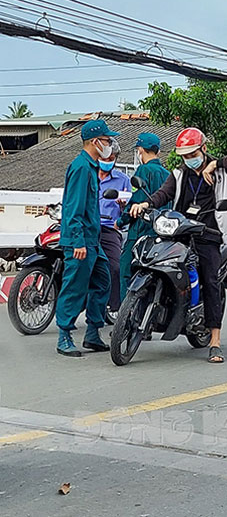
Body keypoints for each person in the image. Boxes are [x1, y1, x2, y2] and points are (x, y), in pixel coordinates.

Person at [129, 128, 227, 364]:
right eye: (184, 155)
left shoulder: (224, 171)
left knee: (210, 280)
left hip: (210, 235)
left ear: (203, 149)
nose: (188, 159)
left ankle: (214, 341)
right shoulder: (179, 174)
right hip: (181, 231)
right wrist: (146, 204)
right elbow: (164, 194)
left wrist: (215, 165)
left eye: (192, 153)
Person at [55, 119, 116, 357]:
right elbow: (73, 207)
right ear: (95, 142)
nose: (109, 144)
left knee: (103, 281)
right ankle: (64, 336)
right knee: (75, 286)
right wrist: (78, 241)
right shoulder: (81, 167)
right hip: (80, 241)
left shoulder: (91, 167)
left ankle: (93, 333)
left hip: (93, 240)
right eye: (107, 140)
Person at [117, 132, 170, 301]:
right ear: (158, 152)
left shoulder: (143, 170)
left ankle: (126, 318)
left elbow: (137, 203)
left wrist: (120, 221)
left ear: (140, 150)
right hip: (162, 234)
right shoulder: (168, 175)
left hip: (140, 232)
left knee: (125, 271)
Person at [98, 137, 131, 321]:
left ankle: (114, 305)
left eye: (112, 159)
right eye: (106, 158)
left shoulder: (123, 180)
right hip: (88, 227)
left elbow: (129, 211)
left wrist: (123, 206)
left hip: (110, 228)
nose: (108, 162)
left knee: (115, 266)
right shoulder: (87, 175)